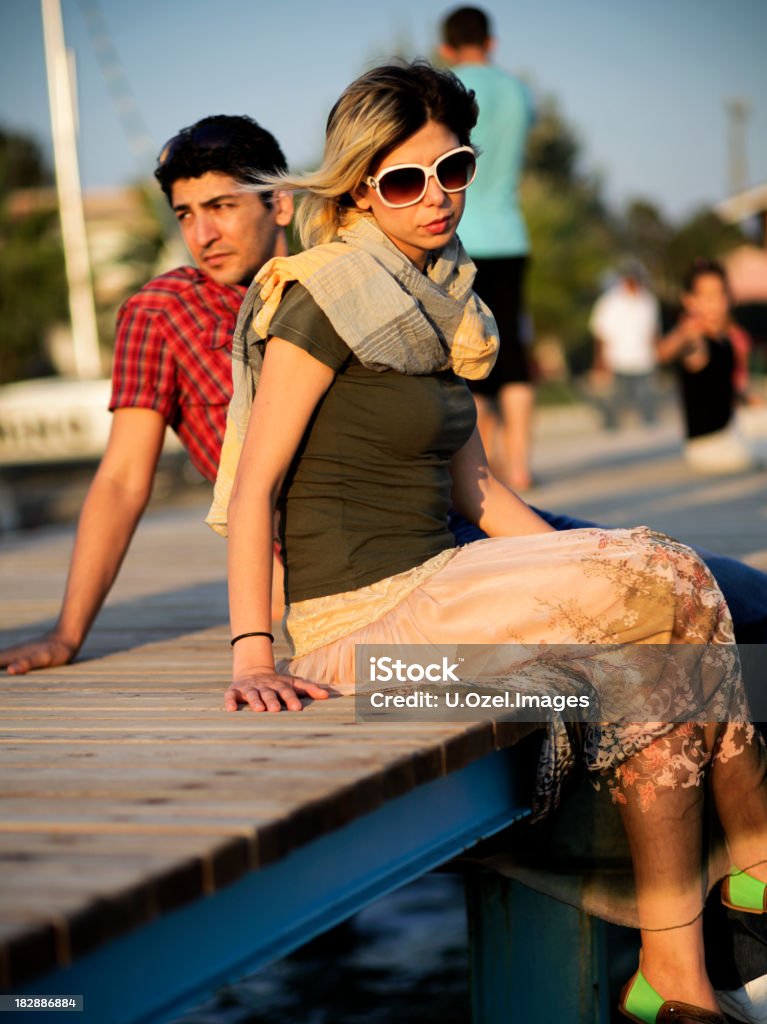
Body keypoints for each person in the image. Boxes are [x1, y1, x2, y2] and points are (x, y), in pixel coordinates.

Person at [211, 61, 766, 1022]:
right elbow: (256, 483)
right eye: (403, 180)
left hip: (440, 583)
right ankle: (754, 855)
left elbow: (483, 491)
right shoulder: (322, 293)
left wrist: (590, 564)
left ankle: (672, 978)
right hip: (365, 643)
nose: (437, 197)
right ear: (357, 186)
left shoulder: (439, 301)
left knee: (662, 589)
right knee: (652, 582)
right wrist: (253, 650)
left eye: (453, 168)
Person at [0, 115, 293, 675]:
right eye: (187, 214)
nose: (202, 234)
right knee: (460, 681)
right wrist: (66, 633)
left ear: (279, 204)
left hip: (406, 534)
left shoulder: (325, 289)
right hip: (304, 583)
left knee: (506, 646)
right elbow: (121, 479)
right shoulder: (163, 313)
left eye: (222, 206)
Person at [439, 5, 537, 491]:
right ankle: (521, 464)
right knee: (514, 352)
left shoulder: (442, 90)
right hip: (513, 235)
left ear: (445, 47)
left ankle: (488, 466)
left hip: (462, 235)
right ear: (491, 42)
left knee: (467, 349)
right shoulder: (519, 91)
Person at [657, 258, 759, 474]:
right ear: (690, 301)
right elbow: (665, 351)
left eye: (720, 294)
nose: (714, 302)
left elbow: (726, 392)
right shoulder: (695, 340)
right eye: (706, 296)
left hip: (731, 433)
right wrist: (684, 331)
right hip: (709, 446)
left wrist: (749, 400)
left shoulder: (726, 340)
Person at [589, 259, 661, 431]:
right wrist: (600, 360)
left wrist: (658, 352)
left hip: (644, 358)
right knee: (616, 397)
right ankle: (611, 427)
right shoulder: (610, 302)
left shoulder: (648, 301)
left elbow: (653, 330)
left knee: (646, 396)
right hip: (618, 358)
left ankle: (649, 428)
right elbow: (600, 332)